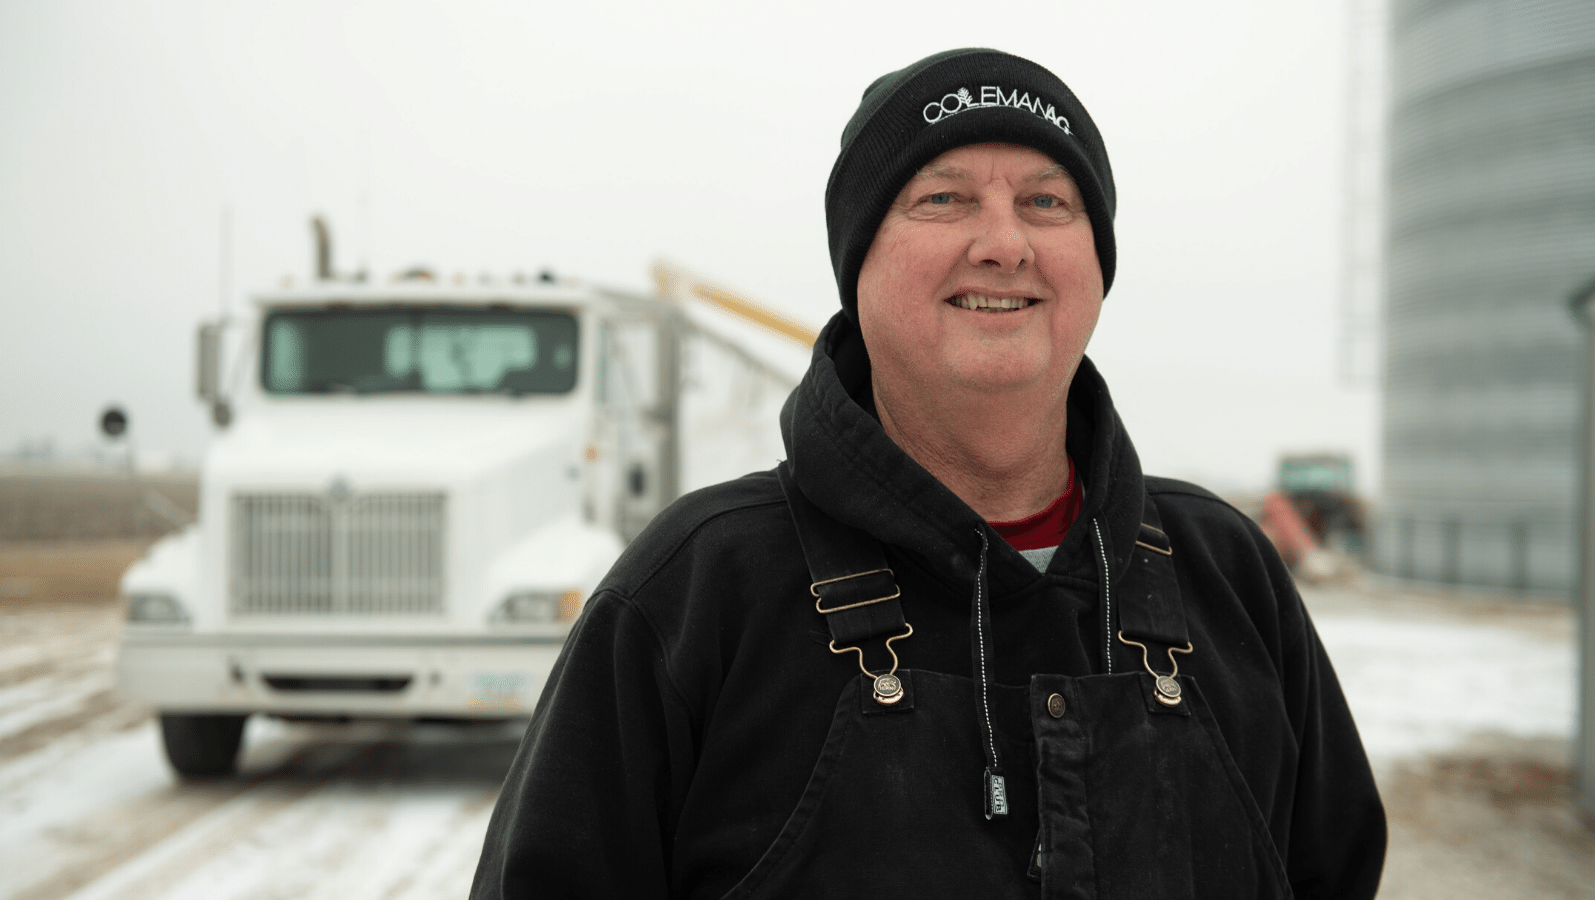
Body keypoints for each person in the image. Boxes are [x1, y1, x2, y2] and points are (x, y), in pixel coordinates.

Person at [471, 48, 1386, 899]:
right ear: (858, 262)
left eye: (1047, 202)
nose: (1004, 244)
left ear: (1097, 266)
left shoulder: (1223, 572)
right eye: (943, 199)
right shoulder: (698, 589)